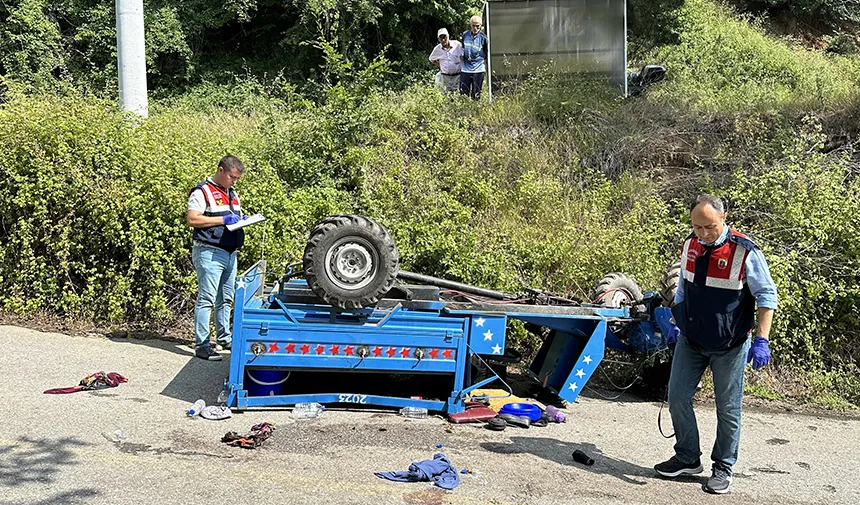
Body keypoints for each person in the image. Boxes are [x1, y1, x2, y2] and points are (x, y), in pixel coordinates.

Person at [655, 194, 778, 494]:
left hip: (730, 344)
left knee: (728, 409)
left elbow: (767, 296)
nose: (703, 234)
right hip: (692, 339)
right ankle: (687, 457)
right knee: (678, 398)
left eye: (709, 227)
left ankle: (723, 466)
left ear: (724, 218)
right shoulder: (690, 246)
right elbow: (683, 288)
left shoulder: (745, 251)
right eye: (697, 227)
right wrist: (675, 322)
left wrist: (761, 339)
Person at [186, 155, 247, 361]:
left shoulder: (232, 192)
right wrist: (222, 219)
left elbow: (232, 219)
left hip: (230, 252)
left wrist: (242, 221)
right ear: (221, 170)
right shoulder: (202, 191)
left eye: (237, 179)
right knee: (207, 299)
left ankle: (224, 338)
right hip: (210, 252)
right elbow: (192, 219)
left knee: (226, 299)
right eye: (232, 177)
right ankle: (202, 345)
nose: (234, 181)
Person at [460, 15, 488, 99]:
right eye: (473, 26)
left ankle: (475, 110)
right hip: (465, 68)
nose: (475, 28)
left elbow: (486, 52)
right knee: (463, 93)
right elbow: (462, 48)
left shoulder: (484, 38)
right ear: (470, 25)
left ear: (481, 26)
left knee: (476, 94)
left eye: (477, 26)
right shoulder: (465, 35)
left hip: (478, 69)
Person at [429, 28, 463, 93]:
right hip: (445, 77)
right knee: (445, 95)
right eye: (441, 38)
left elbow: (464, 56)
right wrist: (440, 66)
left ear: (448, 36)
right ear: (438, 39)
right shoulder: (437, 49)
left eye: (445, 37)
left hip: (457, 76)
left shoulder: (457, 45)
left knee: (458, 95)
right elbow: (431, 59)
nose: (443, 40)